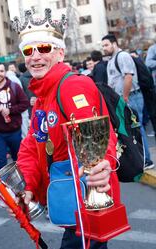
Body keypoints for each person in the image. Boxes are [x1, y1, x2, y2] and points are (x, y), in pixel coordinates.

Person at [11, 8, 121, 248]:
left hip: (88, 200)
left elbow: (100, 140)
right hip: (70, 201)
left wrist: (104, 162)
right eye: (29, 50)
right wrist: (27, 186)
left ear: (60, 53)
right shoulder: (42, 95)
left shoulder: (72, 86)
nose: (35, 56)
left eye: (44, 48)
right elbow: (32, 145)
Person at [102, 34, 154, 170]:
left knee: (137, 128)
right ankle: (141, 159)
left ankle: (146, 160)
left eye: (106, 45)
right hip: (124, 99)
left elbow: (128, 77)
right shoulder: (111, 60)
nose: (104, 48)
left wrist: (124, 98)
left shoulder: (122, 56)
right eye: (103, 46)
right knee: (133, 130)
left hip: (131, 97)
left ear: (114, 44)